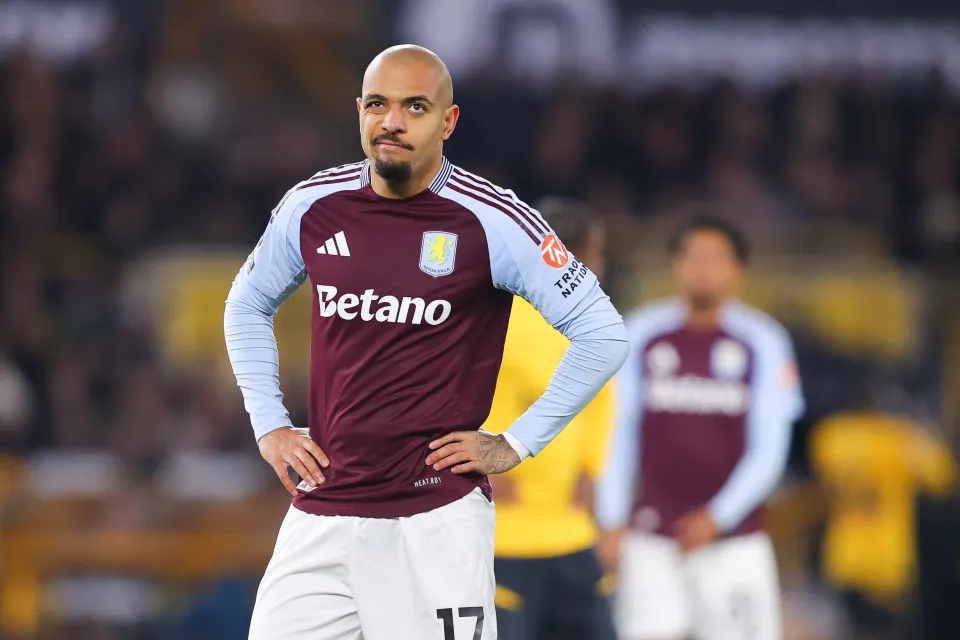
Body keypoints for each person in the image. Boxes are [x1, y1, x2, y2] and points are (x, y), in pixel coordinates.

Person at [223, 45, 628, 640]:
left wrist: (516, 443)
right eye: (379, 106)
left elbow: (604, 333)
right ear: (359, 112)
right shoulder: (312, 205)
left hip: (434, 519)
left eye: (415, 106)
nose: (392, 122)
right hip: (324, 511)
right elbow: (246, 303)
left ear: (448, 121)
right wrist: (269, 424)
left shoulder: (493, 220)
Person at [595, 215, 805, 640]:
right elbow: (618, 432)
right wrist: (611, 517)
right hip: (651, 539)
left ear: (738, 269)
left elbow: (770, 449)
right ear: (676, 265)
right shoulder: (641, 332)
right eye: (692, 256)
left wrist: (719, 516)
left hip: (733, 542)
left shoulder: (764, 341)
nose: (702, 267)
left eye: (715, 258)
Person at [481, 197, 618, 640]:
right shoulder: (495, 317)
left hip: (571, 531)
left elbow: (599, 404)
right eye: (596, 255)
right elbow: (452, 395)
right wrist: (484, 463)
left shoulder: (590, 326)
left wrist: (590, 472)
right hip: (505, 532)